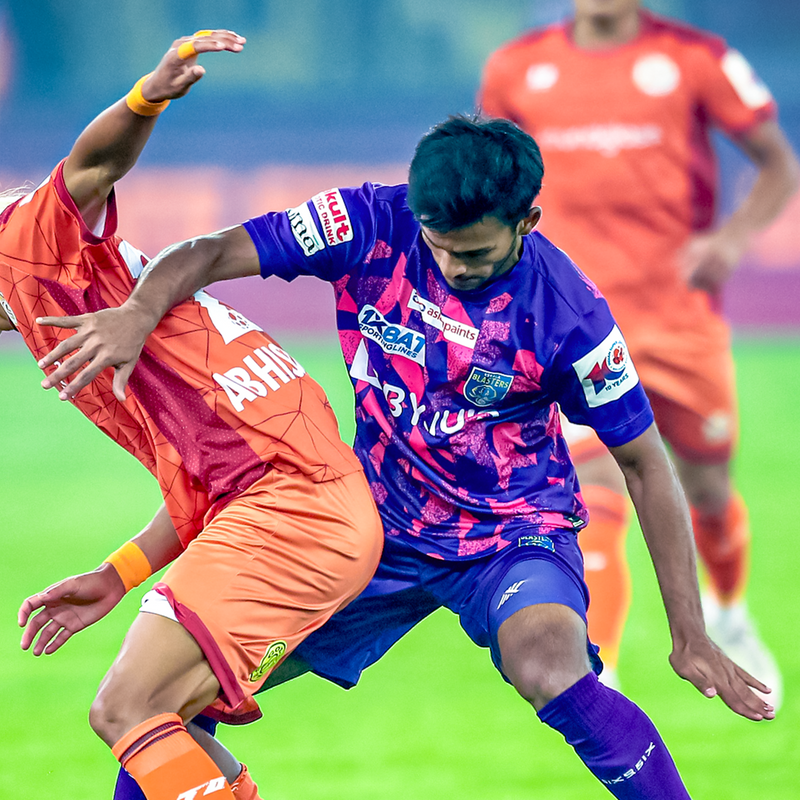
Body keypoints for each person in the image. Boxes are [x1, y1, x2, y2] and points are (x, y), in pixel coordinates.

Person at [36, 111, 776, 799]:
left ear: (527, 221)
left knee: (548, 663)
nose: (452, 266)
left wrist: (690, 635)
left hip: (512, 534)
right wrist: (138, 313)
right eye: (438, 245)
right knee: (169, 699)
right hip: (369, 529)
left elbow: (645, 462)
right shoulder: (367, 222)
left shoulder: (570, 315)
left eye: (476, 253)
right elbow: (212, 250)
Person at [6, 31, 383, 800]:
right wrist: (118, 574)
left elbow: (91, 167)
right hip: (301, 504)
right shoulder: (93, 304)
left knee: (126, 708)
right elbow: (204, 483)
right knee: (164, 730)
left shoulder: (26, 244)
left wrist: (145, 98)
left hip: (293, 510)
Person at [477, 0, 800, 696]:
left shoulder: (695, 59)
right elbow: (488, 181)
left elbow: (778, 163)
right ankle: (605, 678)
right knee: (594, 487)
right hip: (567, 321)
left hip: (679, 320)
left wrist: (732, 241)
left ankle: (730, 613)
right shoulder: (515, 68)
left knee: (707, 487)